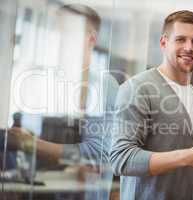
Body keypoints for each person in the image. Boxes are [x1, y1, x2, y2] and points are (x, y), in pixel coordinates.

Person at [6, 4, 118, 199]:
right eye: (54, 31)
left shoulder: (103, 85)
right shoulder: (46, 80)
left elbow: (98, 154)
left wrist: (31, 144)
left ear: (90, 39)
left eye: (65, 32)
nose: (56, 39)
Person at [110, 10, 193, 200]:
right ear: (163, 43)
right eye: (180, 39)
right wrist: (188, 156)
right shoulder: (137, 88)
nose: (189, 47)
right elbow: (121, 159)